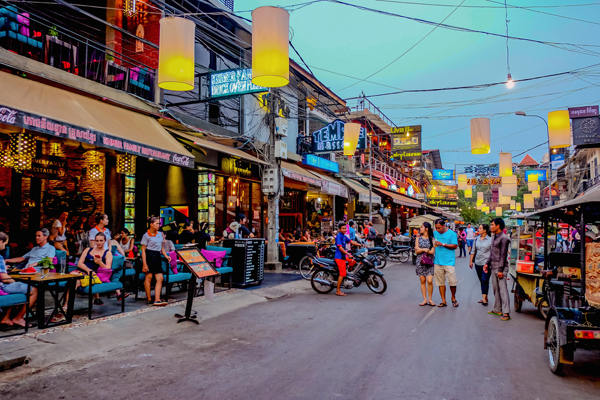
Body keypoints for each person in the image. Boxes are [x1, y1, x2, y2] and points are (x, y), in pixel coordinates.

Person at [0, 232, 38, 329]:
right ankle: (19, 317)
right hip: (2, 287)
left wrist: (4, 267)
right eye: (5, 244)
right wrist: (14, 282)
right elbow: (4, 278)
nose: (5, 247)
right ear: (1, 241)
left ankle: (6, 317)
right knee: (33, 290)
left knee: (16, 289)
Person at [485, 218, 511, 321]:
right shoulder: (494, 237)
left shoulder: (504, 238)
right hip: (493, 266)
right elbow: (492, 252)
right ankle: (497, 309)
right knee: (495, 289)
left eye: (492, 225)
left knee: (503, 290)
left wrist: (500, 270)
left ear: (498, 226)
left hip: (501, 267)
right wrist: (487, 263)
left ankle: (506, 313)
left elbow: (503, 255)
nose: (490, 226)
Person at [141, 217, 171, 306]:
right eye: (157, 223)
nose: (159, 225)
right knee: (149, 277)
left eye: (159, 223)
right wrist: (144, 264)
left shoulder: (160, 234)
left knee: (160, 278)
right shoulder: (146, 235)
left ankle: (157, 299)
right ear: (151, 224)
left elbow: (161, 247)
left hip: (157, 256)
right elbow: (143, 250)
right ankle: (149, 299)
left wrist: (166, 256)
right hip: (149, 255)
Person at [433, 219, 459, 307]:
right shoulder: (435, 233)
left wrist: (443, 244)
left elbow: (455, 245)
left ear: (444, 226)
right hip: (438, 261)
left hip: (449, 262)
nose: (437, 229)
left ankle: (453, 297)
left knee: (452, 282)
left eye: (439, 227)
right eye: (436, 228)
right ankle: (443, 300)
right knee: (440, 282)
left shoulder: (452, 234)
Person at [334, 222, 362, 296]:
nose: (344, 229)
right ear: (339, 229)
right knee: (342, 274)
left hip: (343, 257)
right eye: (342, 228)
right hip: (339, 257)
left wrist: (361, 244)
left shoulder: (344, 236)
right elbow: (340, 247)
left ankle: (348, 276)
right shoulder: (339, 236)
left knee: (354, 262)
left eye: (345, 228)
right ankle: (338, 290)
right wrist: (348, 254)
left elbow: (351, 241)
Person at [469, 224, 493, 306]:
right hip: (478, 263)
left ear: (485, 230)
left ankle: (483, 299)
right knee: (481, 280)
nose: (478, 229)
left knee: (484, 280)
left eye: (480, 228)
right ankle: (485, 296)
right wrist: (471, 261)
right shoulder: (476, 239)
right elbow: (473, 251)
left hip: (486, 264)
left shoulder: (490, 240)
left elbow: (493, 252)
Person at [415, 222, 436, 307]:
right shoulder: (418, 238)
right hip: (420, 261)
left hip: (430, 261)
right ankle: (425, 300)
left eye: (422, 227)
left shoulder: (432, 239)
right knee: (422, 280)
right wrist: (424, 249)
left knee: (429, 280)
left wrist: (421, 249)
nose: (420, 228)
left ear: (426, 228)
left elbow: (432, 251)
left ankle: (430, 299)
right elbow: (416, 251)